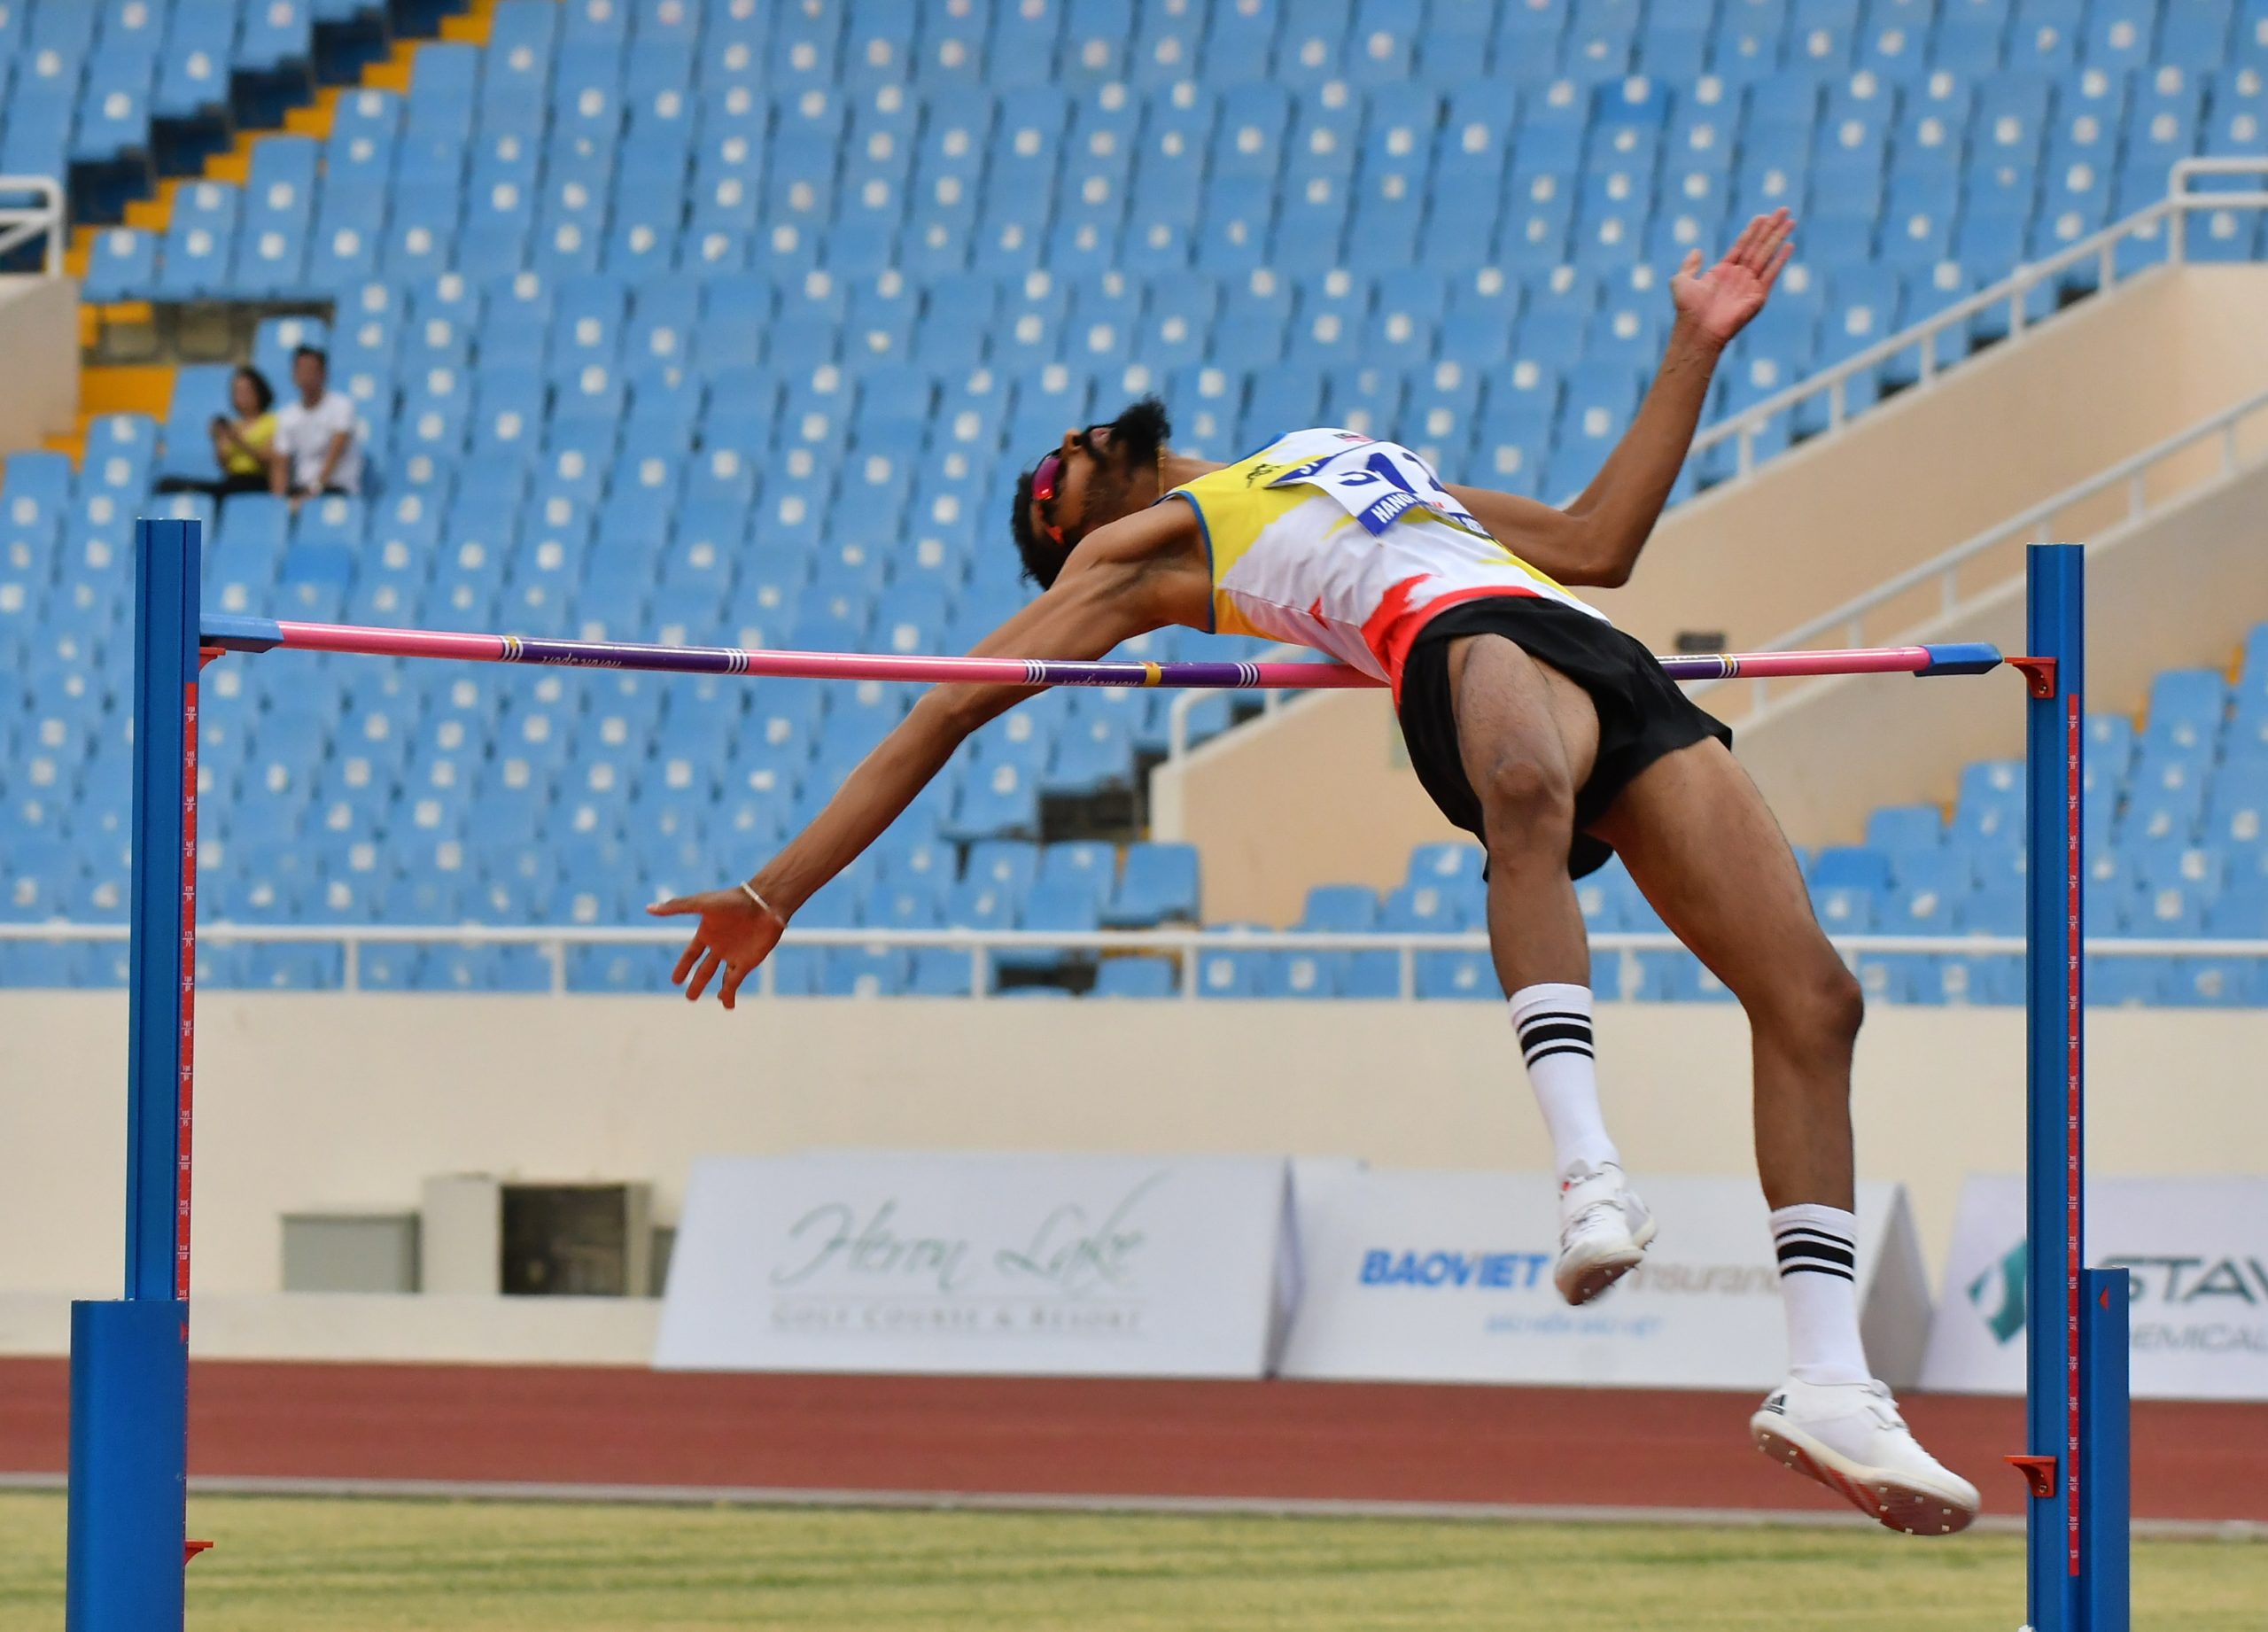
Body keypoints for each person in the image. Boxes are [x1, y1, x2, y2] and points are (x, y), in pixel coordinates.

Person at [650, 211, 1981, 1535]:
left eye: (1052, 454)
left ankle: (1830, 1382)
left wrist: (1693, 347)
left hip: (1594, 649)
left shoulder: (1339, 454)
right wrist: (778, 888)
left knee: (1816, 1000)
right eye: (1043, 492)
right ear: (1075, 540)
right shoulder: (1140, 557)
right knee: (1522, 789)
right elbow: (943, 709)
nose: (1057, 457)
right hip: (1455, 645)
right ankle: (1588, 1172)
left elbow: (1596, 540)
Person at [155, 365, 276, 501]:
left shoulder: (271, 422)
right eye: (236, 391)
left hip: (256, 481)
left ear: (259, 391)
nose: (241, 396)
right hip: (232, 481)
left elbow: (268, 461)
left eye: (245, 390)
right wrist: (217, 439)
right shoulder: (234, 425)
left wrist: (239, 441)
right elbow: (224, 465)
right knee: (167, 484)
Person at [268, 345, 363, 502]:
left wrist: (312, 493)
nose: (306, 376)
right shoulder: (286, 416)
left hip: (336, 490)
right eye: (301, 370)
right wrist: (278, 504)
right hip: (300, 489)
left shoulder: (342, 406)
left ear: (323, 374)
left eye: (312, 371)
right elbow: (280, 464)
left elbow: (336, 453)